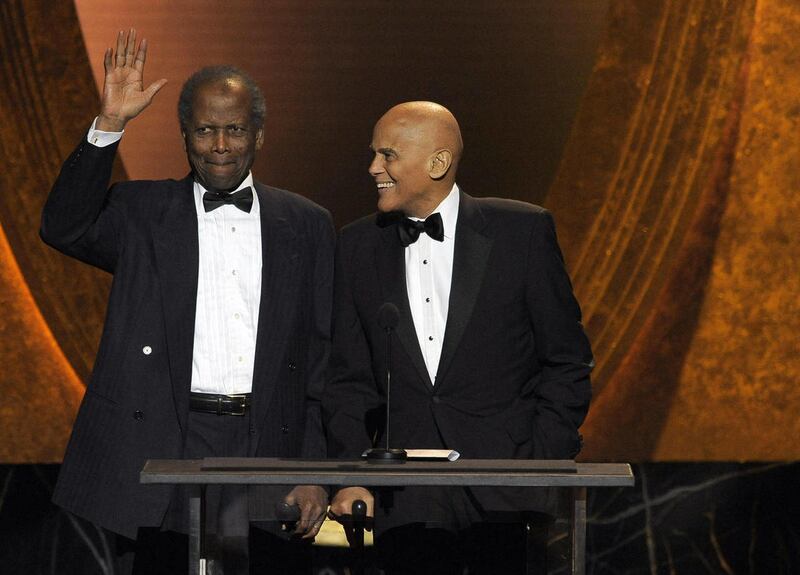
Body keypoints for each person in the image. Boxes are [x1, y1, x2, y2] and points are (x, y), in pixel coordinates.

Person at [40, 29, 333, 574]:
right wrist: (110, 125)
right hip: (164, 436)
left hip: (265, 441)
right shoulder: (142, 212)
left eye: (234, 129)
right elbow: (64, 226)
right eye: (204, 130)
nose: (219, 145)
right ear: (183, 135)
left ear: (259, 136)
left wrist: (315, 468)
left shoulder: (307, 225)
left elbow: (318, 362)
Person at [322, 101, 593, 574]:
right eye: (373, 154)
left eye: (387, 155)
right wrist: (349, 474)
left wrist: (538, 461)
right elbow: (348, 380)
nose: (373, 168)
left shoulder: (522, 232)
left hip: (506, 490)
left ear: (437, 162)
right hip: (403, 495)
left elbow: (567, 361)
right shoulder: (357, 245)